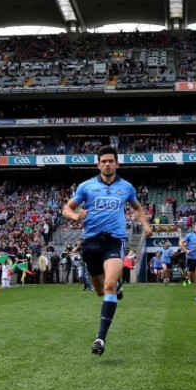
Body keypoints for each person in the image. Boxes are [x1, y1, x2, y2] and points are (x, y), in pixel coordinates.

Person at [62, 145, 152, 356]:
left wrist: (145, 224)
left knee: (109, 285)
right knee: (100, 291)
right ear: (98, 164)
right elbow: (67, 208)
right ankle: (116, 286)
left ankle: (100, 338)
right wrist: (76, 217)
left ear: (117, 164)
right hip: (91, 243)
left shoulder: (127, 187)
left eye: (111, 161)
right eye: (103, 161)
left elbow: (137, 208)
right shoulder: (86, 186)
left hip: (115, 240)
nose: (107, 164)